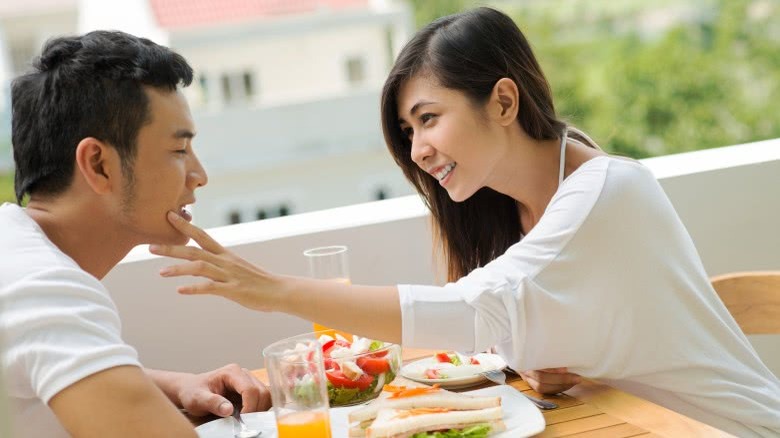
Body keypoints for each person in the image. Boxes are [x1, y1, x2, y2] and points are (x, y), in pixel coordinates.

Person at [149, 7, 780, 437]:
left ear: (504, 101)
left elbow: (475, 308)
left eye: (429, 118)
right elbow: (515, 325)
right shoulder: (508, 207)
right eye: (407, 130)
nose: (418, 149)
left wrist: (274, 291)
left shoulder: (610, 189)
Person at [0, 30, 271, 438]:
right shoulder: (44, 288)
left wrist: (171, 385)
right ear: (99, 164)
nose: (199, 177)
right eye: (179, 151)